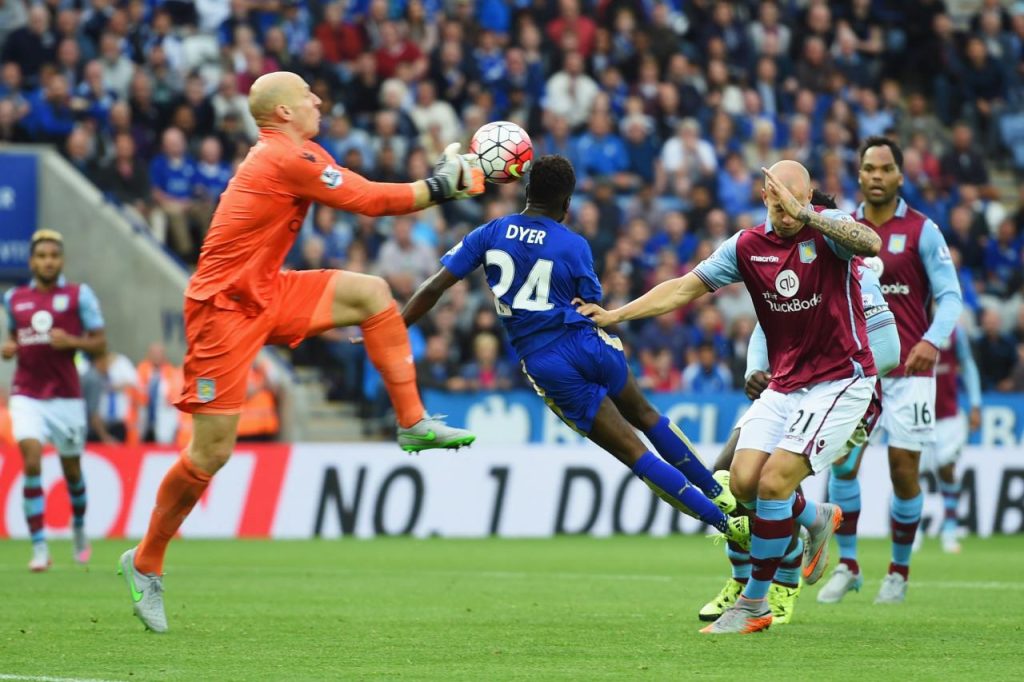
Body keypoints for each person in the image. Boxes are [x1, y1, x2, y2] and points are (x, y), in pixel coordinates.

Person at [118, 71, 484, 634]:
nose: (318, 99)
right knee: (211, 453)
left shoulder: (304, 151)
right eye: (307, 95)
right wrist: (439, 186)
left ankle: (412, 423)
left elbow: (360, 186)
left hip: (268, 289)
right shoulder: (278, 158)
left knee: (371, 293)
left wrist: (444, 181)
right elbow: (367, 201)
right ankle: (145, 560)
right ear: (283, 112)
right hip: (223, 311)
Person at [580, 160, 883, 634]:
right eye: (779, 201)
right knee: (739, 483)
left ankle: (755, 603)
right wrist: (615, 315)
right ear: (765, 194)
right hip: (785, 384)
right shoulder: (745, 247)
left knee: (774, 482)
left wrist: (810, 216)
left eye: (796, 201)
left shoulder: (828, 231)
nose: (787, 211)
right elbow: (682, 289)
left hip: (840, 378)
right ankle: (815, 516)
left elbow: (871, 242)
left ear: (807, 196)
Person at [403, 154, 748, 553]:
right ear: (567, 205)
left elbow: (434, 286)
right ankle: (717, 490)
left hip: (547, 361)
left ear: (526, 191)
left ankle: (728, 526)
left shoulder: (490, 232)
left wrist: (396, 323)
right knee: (647, 415)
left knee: (634, 454)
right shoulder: (574, 244)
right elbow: (591, 302)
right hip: (588, 342)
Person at [697, 192, 901, 626]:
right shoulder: (777, 263)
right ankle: (779, 548)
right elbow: (772, 326)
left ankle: (777, 589)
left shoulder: (852, 270)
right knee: (732, 477)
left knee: (775, 483)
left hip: (836, 389)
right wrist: (757, 368)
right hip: (785, 387)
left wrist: (849, 393)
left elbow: (887, 350)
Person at [815, 137, 962, 606]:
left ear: (900, 175)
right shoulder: (842, 227)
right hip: (856, 372)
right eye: (869, 168)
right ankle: (849, 565)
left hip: (910, 377)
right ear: (858, 175)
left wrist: (930, 341)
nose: (876, 176)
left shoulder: (923, 230)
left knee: (904, 471)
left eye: (885, 169)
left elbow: (951, 296)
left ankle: (898, 571)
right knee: (843, 464)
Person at [2, 229, 107, 571]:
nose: (48, 261)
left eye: (54, 256)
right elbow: (14, 339)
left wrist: (74, 342)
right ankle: (40, 548)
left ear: (61, 260)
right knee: (31, 461)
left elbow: (100, 343)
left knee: (72, 472)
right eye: (42, 256)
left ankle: (78, 527)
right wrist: (8, 349)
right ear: (32, 261)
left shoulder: (79, 296)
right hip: (27, 394)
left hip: (66, 397)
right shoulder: (14, 298)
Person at [918, 326, 981, 554]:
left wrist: (975, 403)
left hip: (948, 416)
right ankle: (914, 531)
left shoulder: (954, 332)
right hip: (917, 413)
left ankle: (950, 530)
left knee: (946, 468)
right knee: (912, 473)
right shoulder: (910, 324)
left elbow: (968, 365)